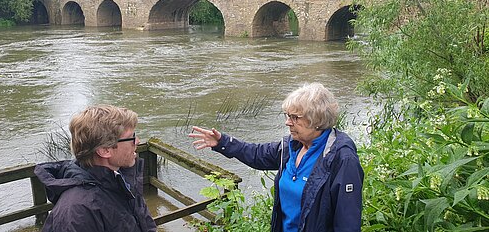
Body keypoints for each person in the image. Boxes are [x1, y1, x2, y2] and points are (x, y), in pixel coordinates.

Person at [189, 83, 364, 232]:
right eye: (288, 116)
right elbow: (257, 154)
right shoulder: (291, 146)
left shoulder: (342, 158)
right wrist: (222, 142)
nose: (288, 122)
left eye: (294, 117)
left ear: (316, 120)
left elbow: (347, 223)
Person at [34, 104, 157, 232]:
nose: (137, 141)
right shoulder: (77, 212)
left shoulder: (121, 180)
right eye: (131, 137)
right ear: (105, 150)